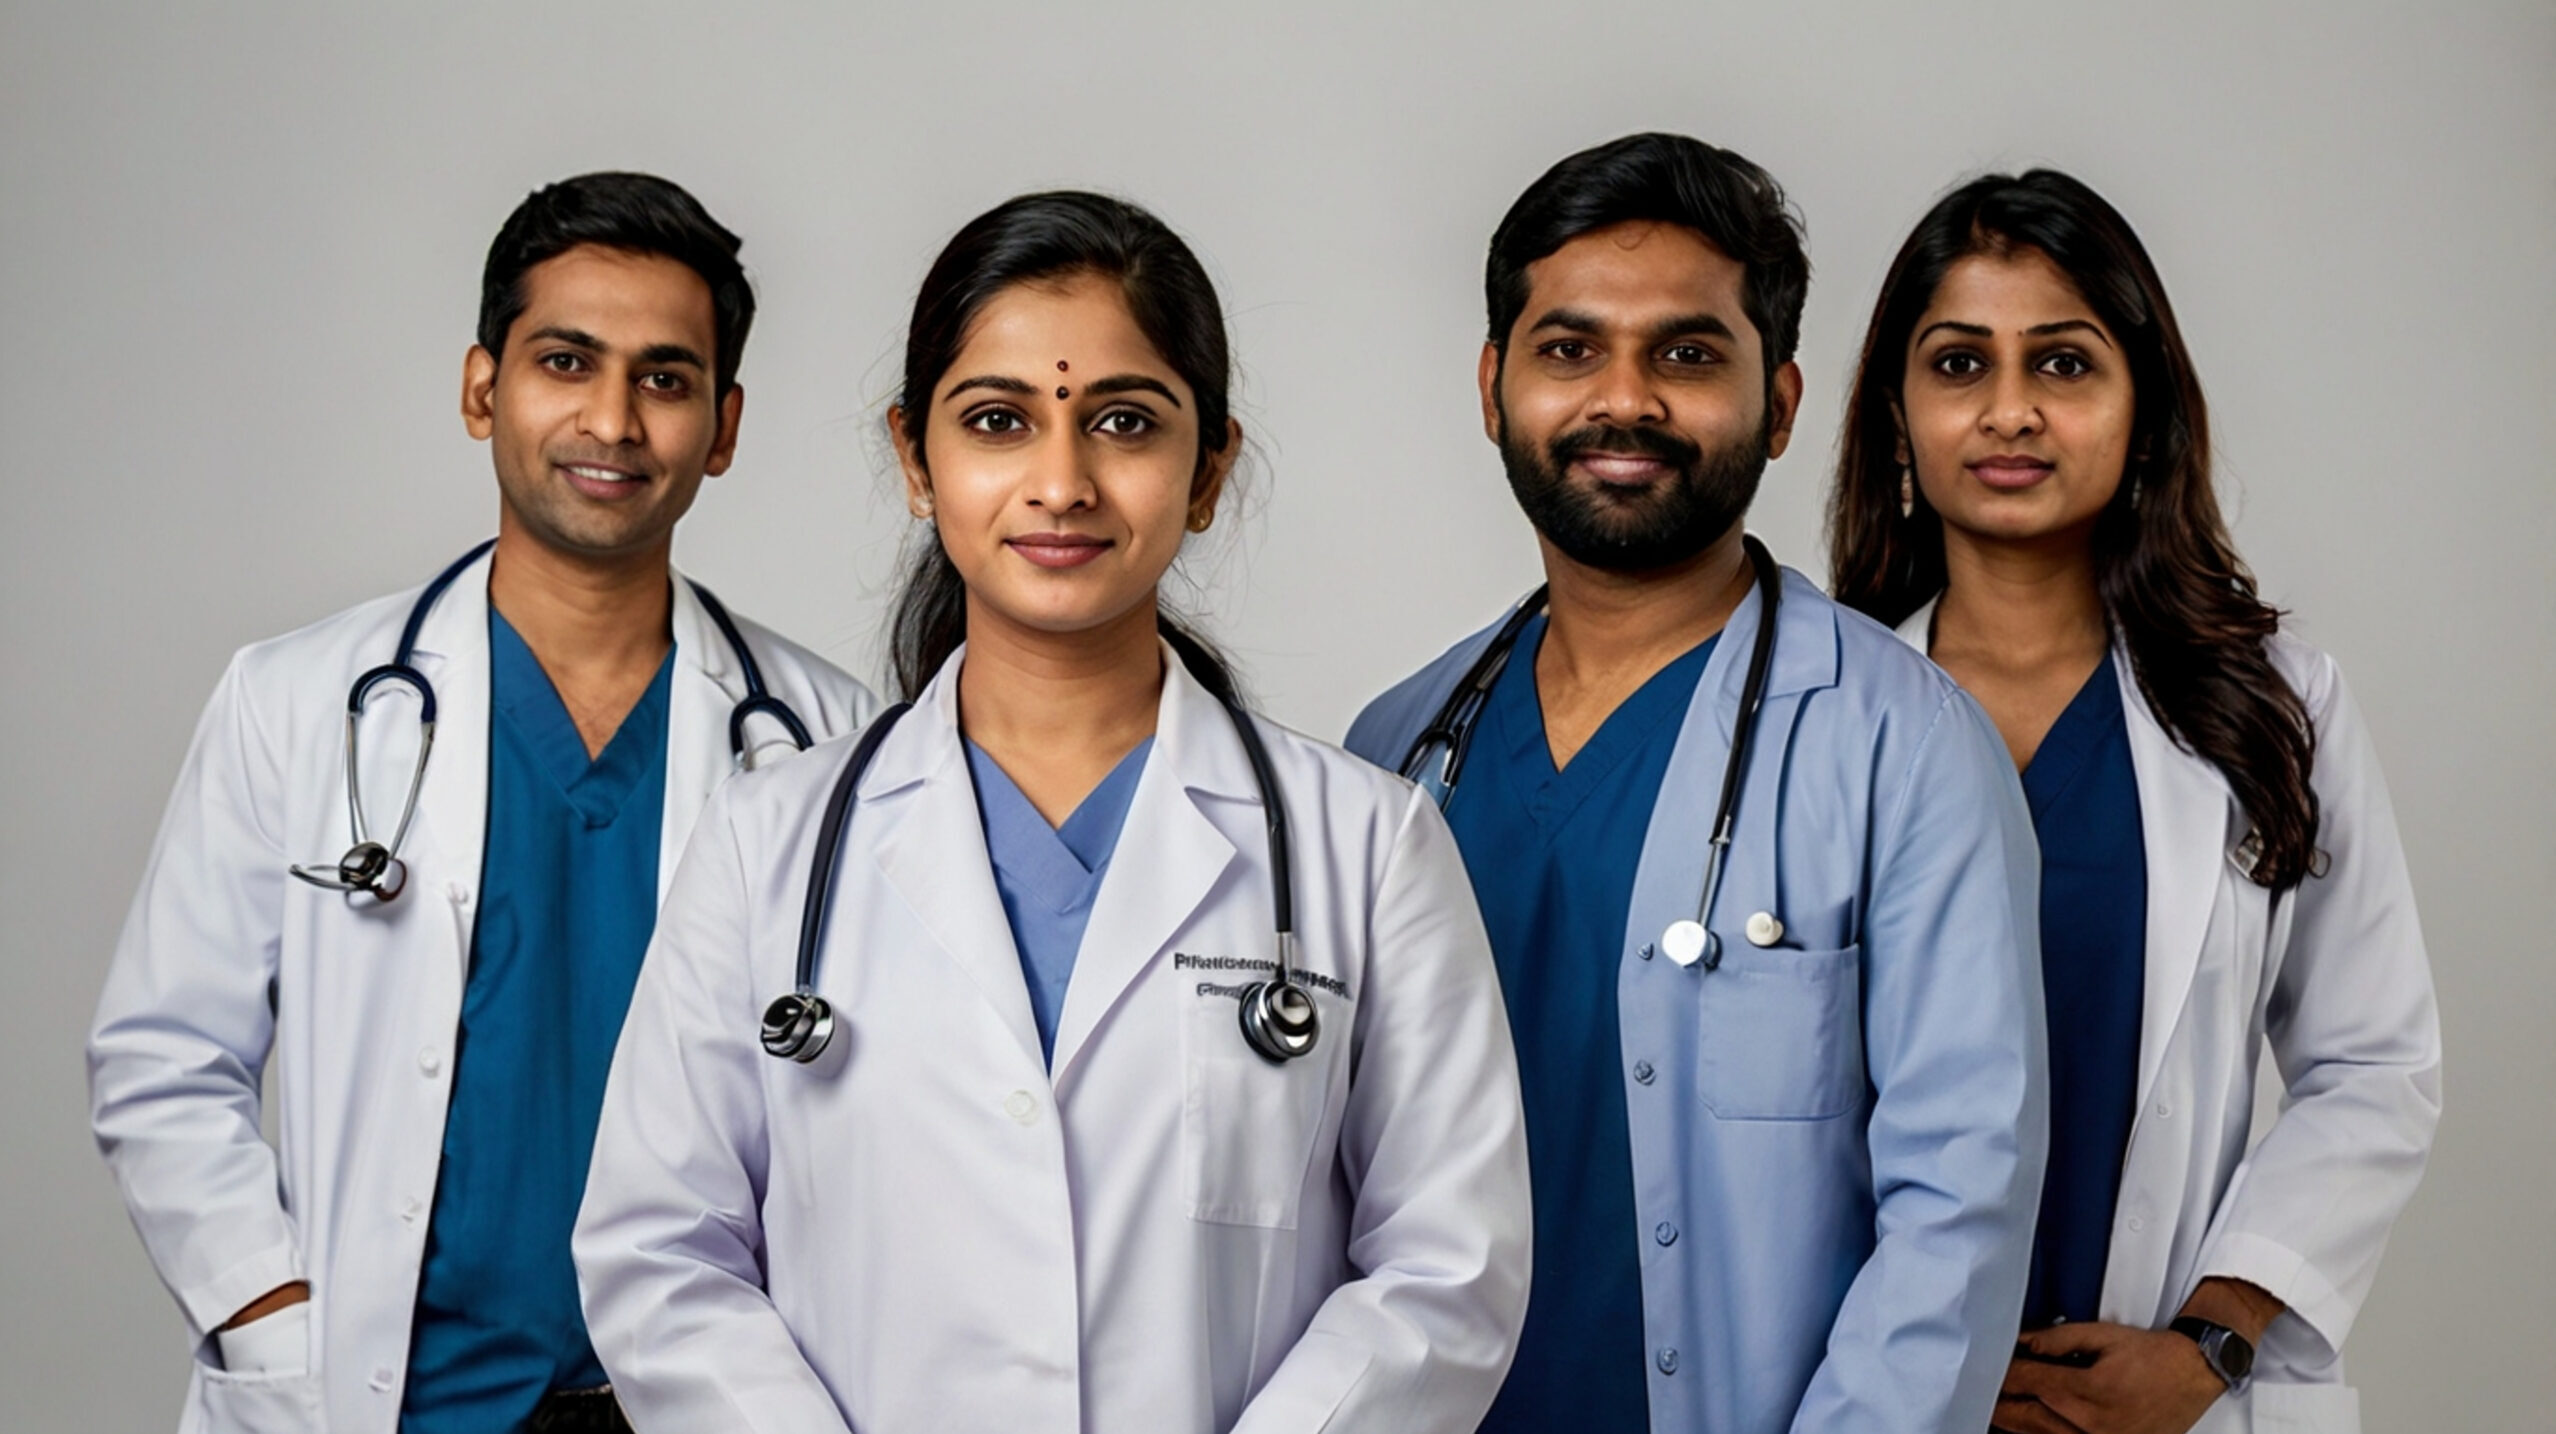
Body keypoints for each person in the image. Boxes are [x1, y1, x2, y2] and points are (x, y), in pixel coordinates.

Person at [571, 190, 1531, 1433]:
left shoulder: (1368, 845)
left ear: (1210, 470)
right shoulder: (768, 844)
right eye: (999, 423)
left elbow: (1446, 1272)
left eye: (1124, 423)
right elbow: (661, 1257)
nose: (1063, 482)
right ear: (918, 462)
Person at [88, 171, 878, 1434]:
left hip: (701, 1400)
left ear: (723, 429)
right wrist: (265, 1308)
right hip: (392, 1399)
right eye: (567, 360)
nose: (613, 420)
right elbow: (161, 1061)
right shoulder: (298, 703)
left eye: (666, 379)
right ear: (481, 388)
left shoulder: (828, 741)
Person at [1345, 131, 2047, 1434]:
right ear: (1494, 385)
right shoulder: (1396, 746)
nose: (1626, 399)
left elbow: (1958, 1210)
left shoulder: (1905, 748)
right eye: (1570, 349)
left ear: (1778, 402)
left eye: (1686, 352)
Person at [1826, 168, 2441, 1434]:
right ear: (1895, 418)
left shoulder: (2272, 703)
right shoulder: (1818, 713)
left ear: (2143, 407)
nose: (2009, 413)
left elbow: (2372, 1064)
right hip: (1869, 1384)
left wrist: (2210, 1343)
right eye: (1957, 366)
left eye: (2063, 364)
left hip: (2155, 1393)